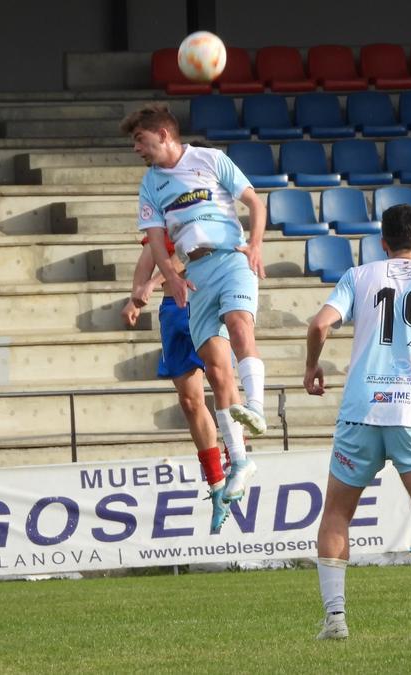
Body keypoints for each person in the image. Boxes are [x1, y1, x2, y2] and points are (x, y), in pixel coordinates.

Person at [303, 204, 411, 640]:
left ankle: (335, 620)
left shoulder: (360, 276)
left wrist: (312, 367)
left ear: (381, 243)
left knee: (337, 513)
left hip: (361, 411)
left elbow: (319, 324)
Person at [122, 104, 267, 506]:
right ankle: (238, 462)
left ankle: (255, 406)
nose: (137, 149)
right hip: (195, 274)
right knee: (218, 372)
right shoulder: (151, 185)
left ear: (163, 135)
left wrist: (255, 244)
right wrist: (168, 279)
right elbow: (153, 241)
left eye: (140, 139)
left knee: (240, 326)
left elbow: (255, 202)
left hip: (231, 258)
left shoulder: (211, 159)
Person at [121, 236, 243, 534]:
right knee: (190, 402)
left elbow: (185, 257)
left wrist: (150, 283)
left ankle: (237, 460)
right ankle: (216, 484)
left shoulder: (195, 211)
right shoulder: (158, 214)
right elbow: (150, 254)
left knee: (220, 377)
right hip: (173, 309)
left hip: (204, 299)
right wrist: (135, 294)